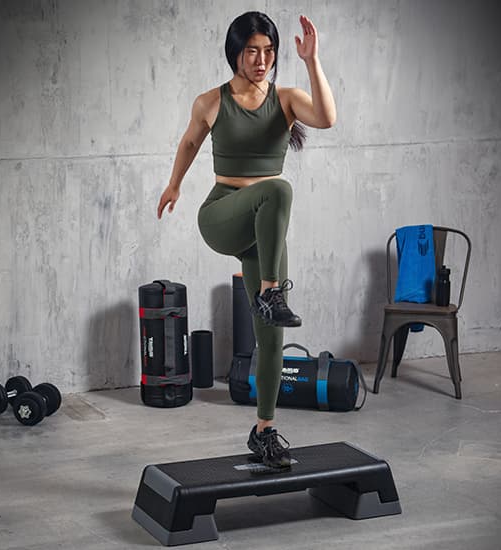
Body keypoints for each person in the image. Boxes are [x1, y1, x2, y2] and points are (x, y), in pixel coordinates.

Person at [155, 11, 336, 469]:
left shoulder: (287, 99)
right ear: (235, 52)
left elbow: (327, 118)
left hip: (265, 231)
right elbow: (190, 143)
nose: (261, 60)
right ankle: (272, 293)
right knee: (279, 189)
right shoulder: (211, 101)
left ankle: (264, 431)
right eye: (252, 51)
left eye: (269, 51)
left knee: (270, 337)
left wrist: (312, 61)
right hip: (223, 214)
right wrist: (174, 185)